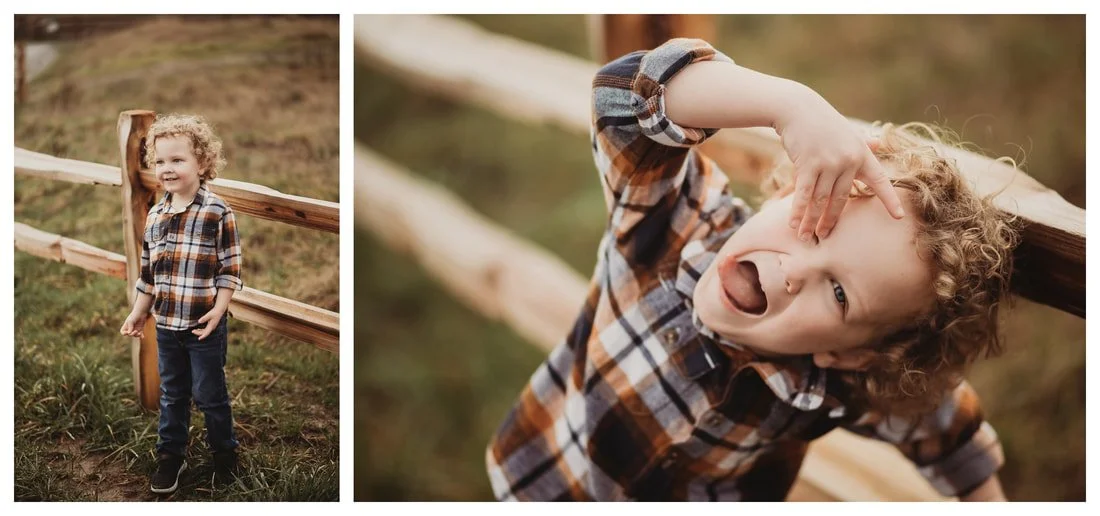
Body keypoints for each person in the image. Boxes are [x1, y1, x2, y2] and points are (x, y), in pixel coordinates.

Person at [486, 38, 1017, 501]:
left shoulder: (835, 389)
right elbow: (622, 96)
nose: (794, 271)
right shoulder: (673, 227)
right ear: (787, 189)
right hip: (540, 478)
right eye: (816, 221)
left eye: (838, 294)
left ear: (851, 351)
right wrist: (788, 104)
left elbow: (943, 421)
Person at [120, 114, 244, 495]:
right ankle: (171, 455)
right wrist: (139, 312)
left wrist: (219, 309)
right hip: (168, 327)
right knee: (172, 393)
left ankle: (225, 455)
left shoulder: (216, 213)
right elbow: (149, 276)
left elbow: (229, 270)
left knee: (210, 394)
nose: (167, 169)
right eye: (159, 161)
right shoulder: (156, 215)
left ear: (202, 163)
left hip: (204, 325)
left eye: (177, 160)